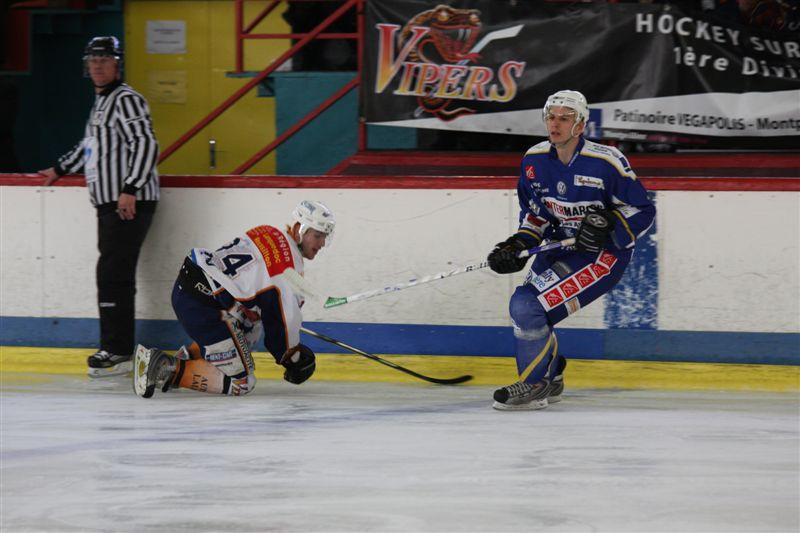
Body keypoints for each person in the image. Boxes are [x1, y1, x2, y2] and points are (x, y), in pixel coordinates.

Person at [487, 89, 655, 411]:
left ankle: (535, 385)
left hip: (603, 256)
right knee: (527, 310)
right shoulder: (534, 161)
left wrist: (608, 224)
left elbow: (642, 210)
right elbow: (535, 215)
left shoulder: (606, 161)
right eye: (551, 117)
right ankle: (551, 375)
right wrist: (518, 244)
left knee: (526, 306)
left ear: (580, 125)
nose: (556, 124)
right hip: (559, 247)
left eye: (565, 118)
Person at [38, 36, 160, 378]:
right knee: (112, 274)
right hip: (110, 204)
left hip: (128, 204)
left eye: (104, 60)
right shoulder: (102, 103)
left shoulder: (126, 99)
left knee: (113, 275)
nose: (97, 66)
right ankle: (116, 347)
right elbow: (90, 145)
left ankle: (118, 351)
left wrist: (130, 188)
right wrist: (59, 168)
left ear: (117, 64)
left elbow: (146, 143)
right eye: (93, 60)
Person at [132, 200, 335, 398]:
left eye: (324, 237)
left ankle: (187, 360)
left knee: (249, 325)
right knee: (243, 383)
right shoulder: (289, 270)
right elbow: (284, 324)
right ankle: (163, 367)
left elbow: (252, 285)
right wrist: (293, 358)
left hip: (188, 286)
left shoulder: (268, 231)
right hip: (206, 306)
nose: (322, 243)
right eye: (317, 236)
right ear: (299, 229)